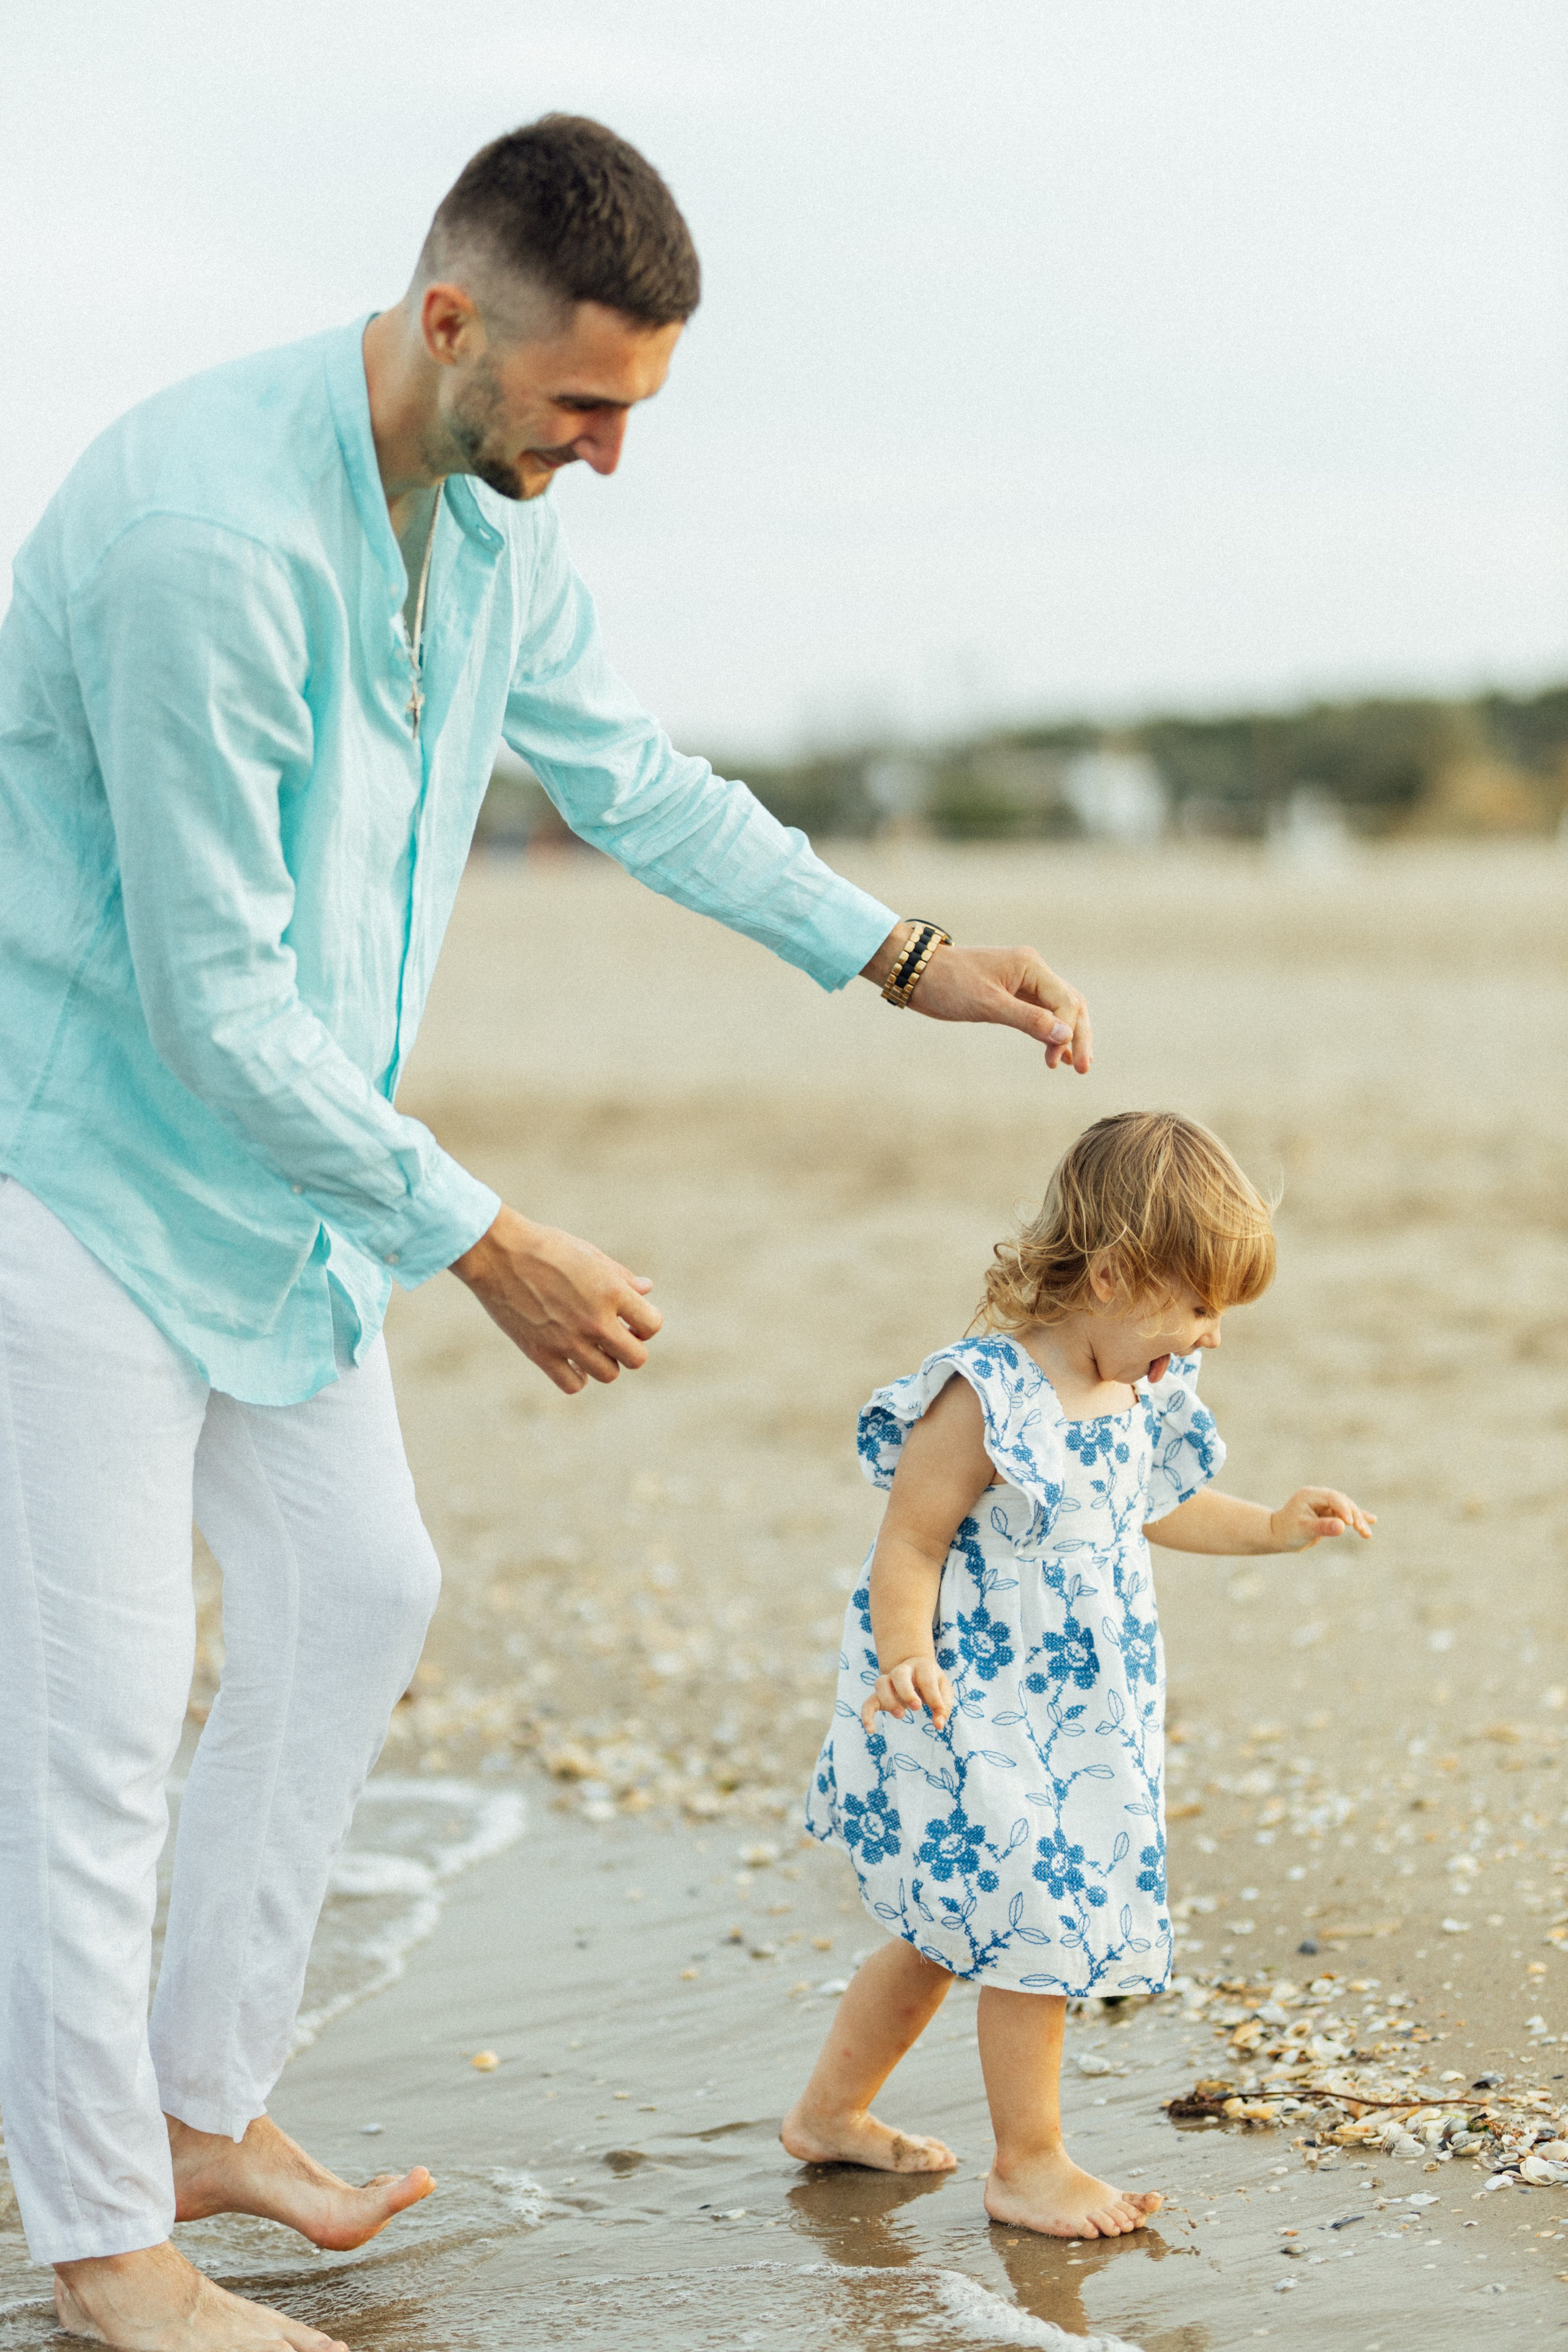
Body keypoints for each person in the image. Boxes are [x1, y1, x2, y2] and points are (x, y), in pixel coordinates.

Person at [0, 114, 1095, 2352]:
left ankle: (202, 2108)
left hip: (283, 1182)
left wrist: (907, 956)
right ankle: (109, 2244)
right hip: (74, 1167)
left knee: (358, 1584)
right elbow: (210, 1006)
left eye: (638, 413)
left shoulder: (488, 532)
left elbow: (638, 786)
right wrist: (483, 1239)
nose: (608, 454)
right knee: (95, 1718)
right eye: (588, 404)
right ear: (445, 323)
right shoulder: (208, 535)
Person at [788, 1112, 1373, 2237]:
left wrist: (1274, 1527)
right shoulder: (987, 1395)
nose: (1208, 1339)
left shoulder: (1140, 1392)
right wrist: (908, 1655)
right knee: (1038, 1928)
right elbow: (908, 1542)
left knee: (945, 1930)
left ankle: (829, 2115)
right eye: (1197, 1306)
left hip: (1087, 1720)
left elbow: (1159, 1507)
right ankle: (1033, 2165)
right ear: (1110, 1272)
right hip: (977, 1704)